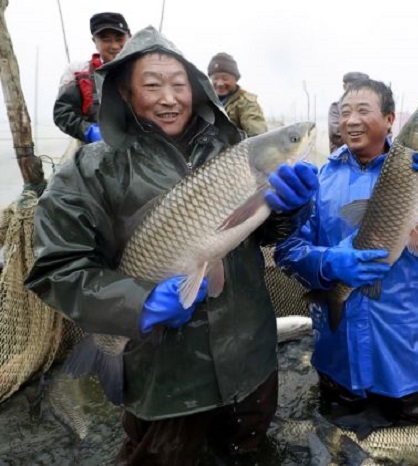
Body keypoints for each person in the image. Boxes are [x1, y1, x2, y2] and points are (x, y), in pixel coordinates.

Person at [25, 26, 318, 465]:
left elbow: (264, 235)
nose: (169, 98)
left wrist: (288, 210)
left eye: (179, 85)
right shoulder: (90, 169)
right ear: (124, 93)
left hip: (250, 359)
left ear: (197, 89)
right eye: (152, 85)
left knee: (248, 452)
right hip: (166, 380)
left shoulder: (234, 147)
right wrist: (139, 303)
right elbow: (57, 268)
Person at [274, 79, 418, 425]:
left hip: (408, 357)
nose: (351, 120)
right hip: (339, 359)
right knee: (340, 445)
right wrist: (328, 264)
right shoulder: (321, 178)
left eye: (362, 110)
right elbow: (288, 251)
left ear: (390, 120)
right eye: (344, 113)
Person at [53, 12, 132, 143]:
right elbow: (63, 113)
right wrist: (89, 131)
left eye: (119, 38)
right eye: (106, 39)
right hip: (97, 152)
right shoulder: (80, 73)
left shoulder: (146, 71)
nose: (114, 46)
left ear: (129, 37)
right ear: (94, 41)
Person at [207, 52, 268, 137]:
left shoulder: (246, 102)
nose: (220, 83)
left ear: (236, 79)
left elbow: (258, 136)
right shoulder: (203, 101)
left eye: (225, 78)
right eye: (215, 78)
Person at [327, 71, 369, 153]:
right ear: (344, 86)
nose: (356, 91)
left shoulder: (373, 108)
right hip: (342, 159)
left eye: (360, 87)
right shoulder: (336, 107)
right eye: (352, 87)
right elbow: (336, 135)